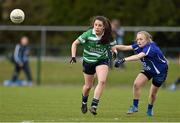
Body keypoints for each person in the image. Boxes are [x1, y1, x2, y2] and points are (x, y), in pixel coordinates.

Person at [112, 31, 168, 116]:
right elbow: (125, 47)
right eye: (137, 39)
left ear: (147, 40)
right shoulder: (138, 45)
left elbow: (138, 56)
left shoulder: (151, 47)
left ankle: (150, 108)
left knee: (152, 94)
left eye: (141, 39)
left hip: (160, 72)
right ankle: (135, 106)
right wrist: (113, 46)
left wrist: (123, 60)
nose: (138, 41)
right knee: (136, 84)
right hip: (148, 69)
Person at [70, 16, 114, 115]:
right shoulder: (88, 34)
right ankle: (84, 102)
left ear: (104, 27)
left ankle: (94, 105)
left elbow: (114, 46)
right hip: (88, 61)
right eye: (95, 25)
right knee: (88, 86)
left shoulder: (108, 36)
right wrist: (73, 56)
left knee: (102, 81)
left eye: (100, 25)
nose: (97, 27)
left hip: (101, 60)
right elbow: (74, 43)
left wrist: (114, 52)